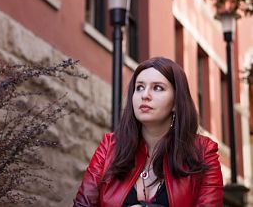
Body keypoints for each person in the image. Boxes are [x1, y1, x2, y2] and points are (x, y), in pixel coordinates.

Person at [73, 57, 223, 207]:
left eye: (157, 88)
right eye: (139, 87)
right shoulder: (109, 146)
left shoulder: (204, 152)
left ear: (176, 102)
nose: (145, 95)